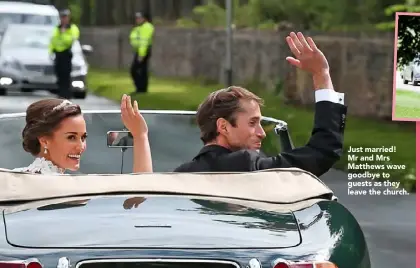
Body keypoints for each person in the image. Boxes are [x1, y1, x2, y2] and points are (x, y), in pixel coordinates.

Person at [173, 32, 347, 178]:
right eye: (252, 123)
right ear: (223, 127)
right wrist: (321, 74)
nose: (262, 133)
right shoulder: (245, 165)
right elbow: (322, 152)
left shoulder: (180, 176)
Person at [12, 94, 152, 175]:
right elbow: (142, 192)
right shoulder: (61, 185)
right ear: (45, 141)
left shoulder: (19, 176)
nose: (81, 147)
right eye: (71, 137)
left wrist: (140, 135)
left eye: (83, 137)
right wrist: (140, 136)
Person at [48, 8, 80, 99]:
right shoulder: (56, 28)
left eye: (65, 17)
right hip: (58, 55)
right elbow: (52, 40)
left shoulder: (73, 28)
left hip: (66, 54)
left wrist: (63, 33)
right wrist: (50, 51)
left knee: (66, 75)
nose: (64, 19)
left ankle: (66, 94)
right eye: (62, 17)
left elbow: (70, 41)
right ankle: (60, 93)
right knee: (59, 74)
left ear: (68, 18)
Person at [129, 11, 154, 93]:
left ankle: (141, 89)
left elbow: (144, 41)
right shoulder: (139, 27)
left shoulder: (146, 27)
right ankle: (140, 89)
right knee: (140, 70)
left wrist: (141, 55)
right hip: (139, 51)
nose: (137, 19)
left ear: (144, 18)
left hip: (143, 51)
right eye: (137, 18)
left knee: (136, 70)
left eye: (139, 18)